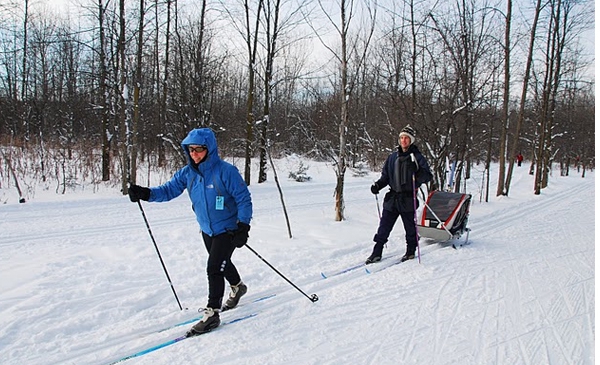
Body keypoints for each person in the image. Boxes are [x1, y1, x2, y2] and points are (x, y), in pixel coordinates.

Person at [128, 128, 252, 336]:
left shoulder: (226, 171)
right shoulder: (188, 174)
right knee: (222, 262)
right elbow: (168, 190)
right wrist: (146, 193)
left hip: (228, 230)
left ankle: (212, 313)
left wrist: (243, 226)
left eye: (199, 149)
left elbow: (243, 198)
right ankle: (238, 287)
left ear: (209, 149)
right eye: (191, 150)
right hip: (207, 229)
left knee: (214, 267)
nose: (194, 154)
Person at [367, 125, 432, 264]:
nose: (403, 140)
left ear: (411, 140)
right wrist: (378, 185)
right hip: (393, 198)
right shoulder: (392, 157)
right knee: (384, 226)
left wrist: (417, 171)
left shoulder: (417, 157)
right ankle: (376, 252)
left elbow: (427, 176)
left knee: (409, 227)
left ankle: (410, 251)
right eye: (401, 138)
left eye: (406, 138)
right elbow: (385, 177)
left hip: (408, 198)